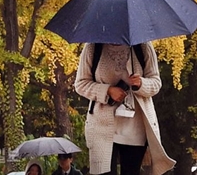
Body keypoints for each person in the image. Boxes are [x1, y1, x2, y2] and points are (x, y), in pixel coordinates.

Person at [75, 42, 175, 175]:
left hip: (135, 129)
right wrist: (108, 91)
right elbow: (81, 84)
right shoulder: (93, 47)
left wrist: (141, 83)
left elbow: (156, 83)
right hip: (102, 128)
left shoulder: (143, 46)